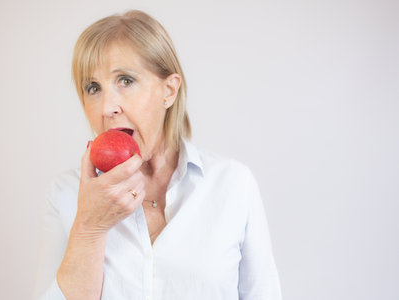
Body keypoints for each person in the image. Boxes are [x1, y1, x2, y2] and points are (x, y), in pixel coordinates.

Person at [34, 9, 282, 300]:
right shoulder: (64, 194)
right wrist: (89, 227)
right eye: (93, 88)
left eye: (125, 80)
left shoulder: (233, 184)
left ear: (169, 90)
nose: (106, 108)